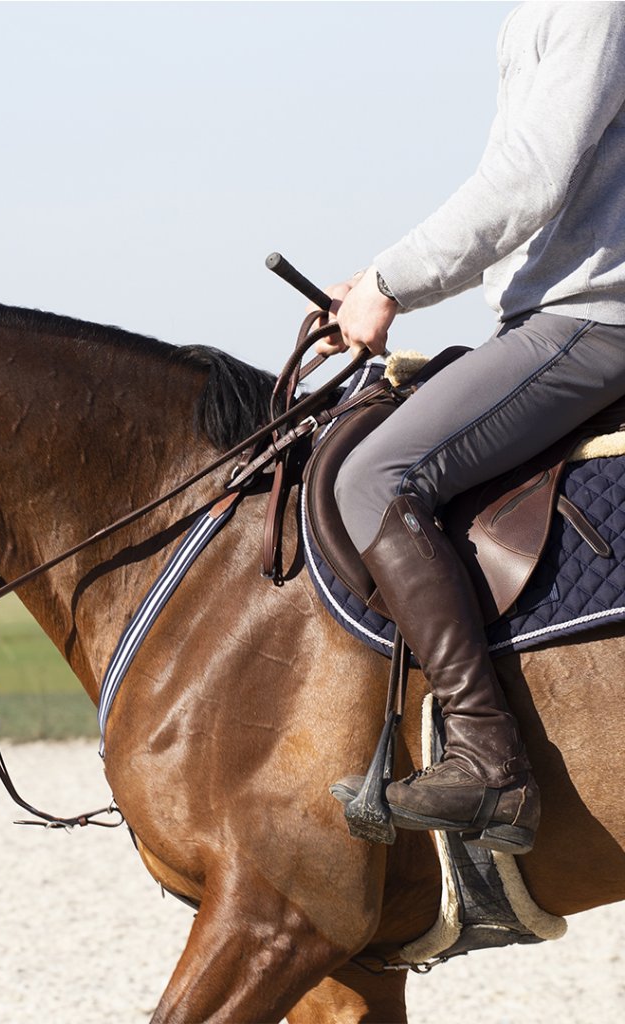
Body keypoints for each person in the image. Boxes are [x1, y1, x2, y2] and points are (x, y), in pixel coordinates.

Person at [318, 2, 625, 855]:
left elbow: (530, 177)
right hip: (553, 315)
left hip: (595, 321)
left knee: (375, 476)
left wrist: (392, 280)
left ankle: (490, 758)